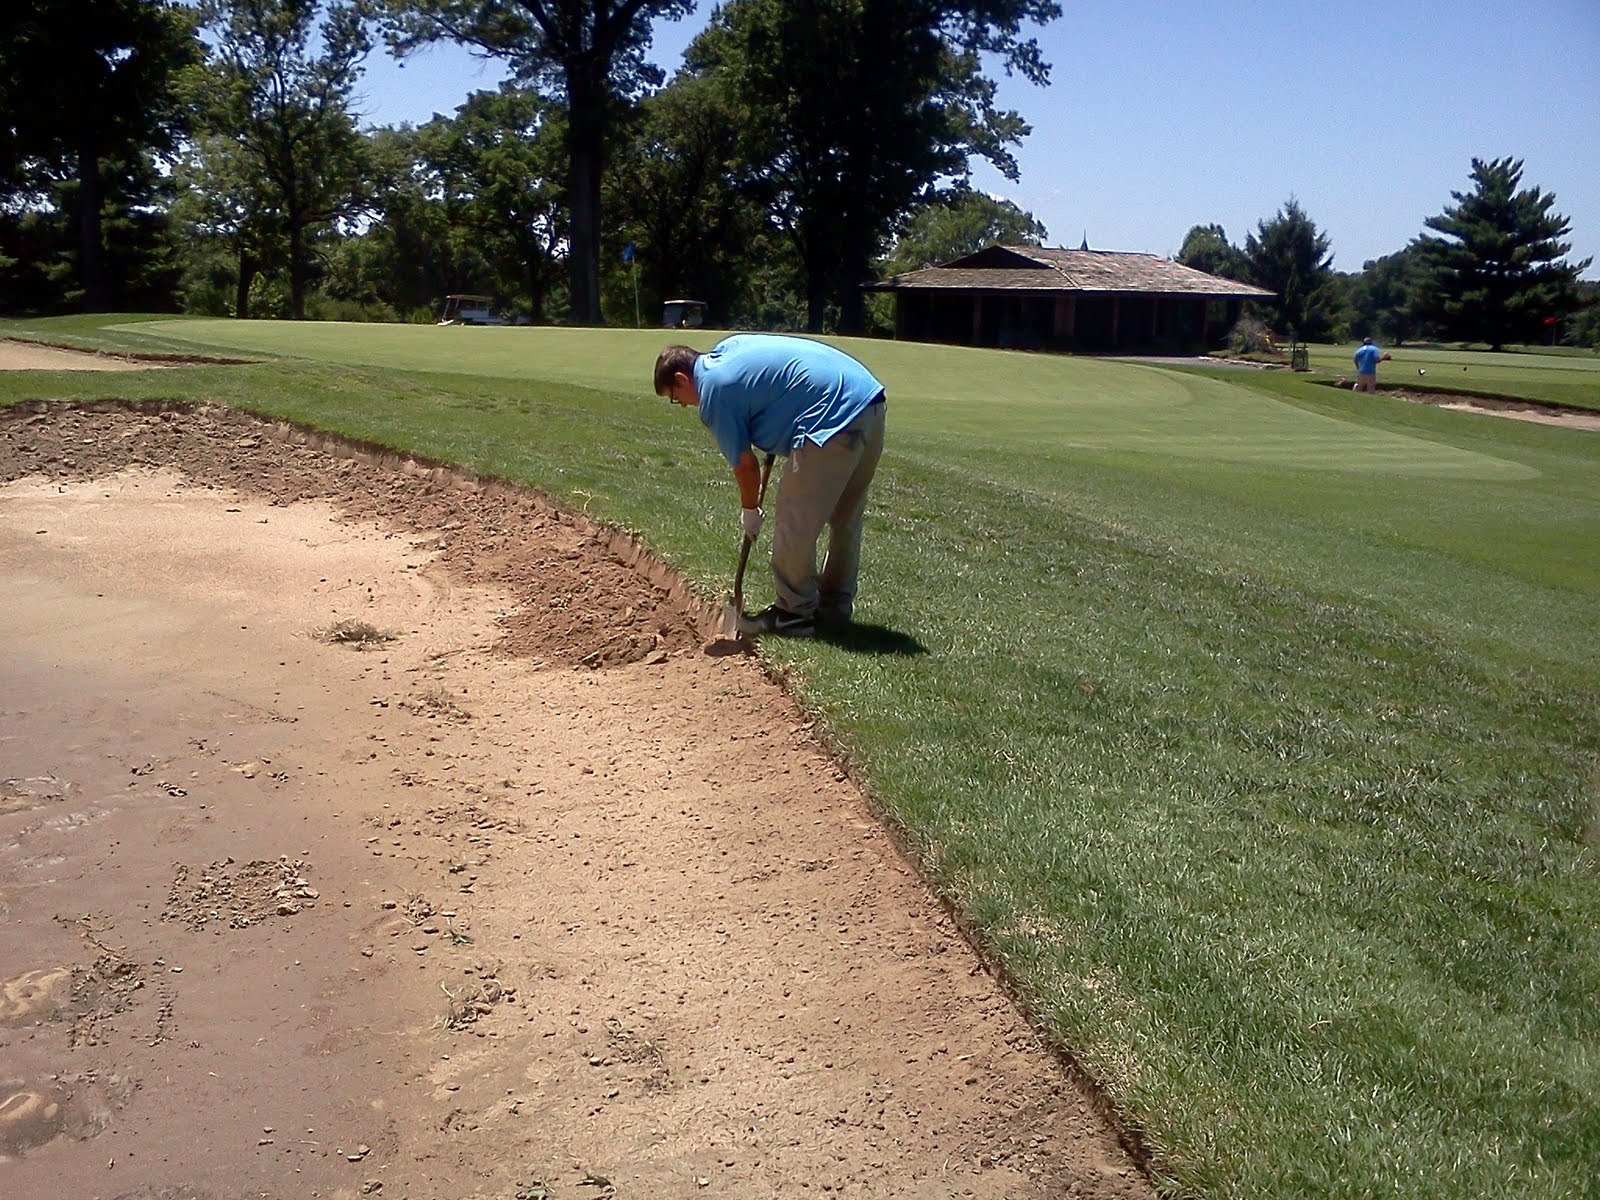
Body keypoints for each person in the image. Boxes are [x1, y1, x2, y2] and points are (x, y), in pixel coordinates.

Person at [654, 334, 887, 637]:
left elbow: (745, 466)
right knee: (846, 519)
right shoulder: (729, 347)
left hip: (828, 419)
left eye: (675, 397)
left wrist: (750, 511)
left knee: (794, 521)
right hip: (868, 401)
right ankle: (834, 610)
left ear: (682, 379)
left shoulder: (713, 393)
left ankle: (794, 614)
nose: (682, 405)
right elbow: (772, 385)